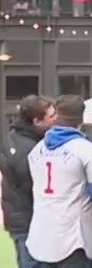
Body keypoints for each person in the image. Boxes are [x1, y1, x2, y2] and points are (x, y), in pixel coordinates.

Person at [25, 95, 92, 268]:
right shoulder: (87, 151)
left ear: (56, 116)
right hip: (73, 240)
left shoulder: (36, 149)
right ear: (81, 119)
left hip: (40, 236)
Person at [1, 95, 56, 268]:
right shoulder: (32, 149)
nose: (56, 119)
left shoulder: (12, 138)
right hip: (29, 220)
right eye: (51, 116)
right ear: (37, 121)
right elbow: (33, 186)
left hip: (21, 218)